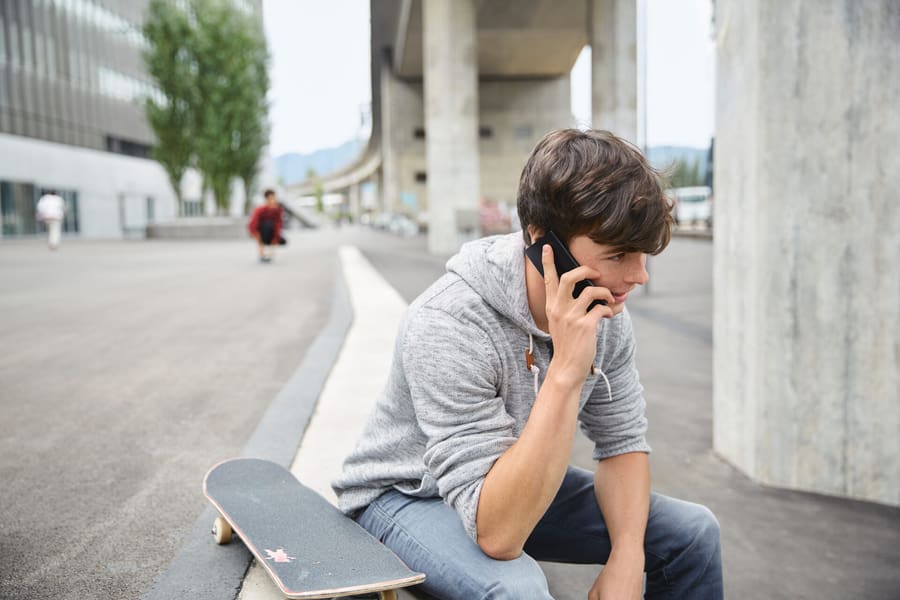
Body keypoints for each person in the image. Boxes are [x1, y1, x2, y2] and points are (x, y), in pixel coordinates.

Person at [332, 129, 723, 599]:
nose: (637, 276)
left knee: (693, 534)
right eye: (617, 255)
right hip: (406, 493)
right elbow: (499, 535)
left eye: (641, 255)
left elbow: (622, 442)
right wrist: (564, 372)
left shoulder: (605, 312)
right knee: (516, 590)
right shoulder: (448, 322)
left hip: (510, 480)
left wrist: (626, 555)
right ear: (543, 244)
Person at [248, 188, 283, 263]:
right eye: (271, 199)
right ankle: (262, 255)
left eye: (274, 198)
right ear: (267, 199)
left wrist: (276, 237)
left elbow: (278, 223)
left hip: (271, 231)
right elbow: (253, 224)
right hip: (261, 230)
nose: (273, 201)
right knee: (267, 225)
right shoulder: (260, 209)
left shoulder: (277, 210)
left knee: (281, 239)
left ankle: (269, 255)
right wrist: (257, 235)